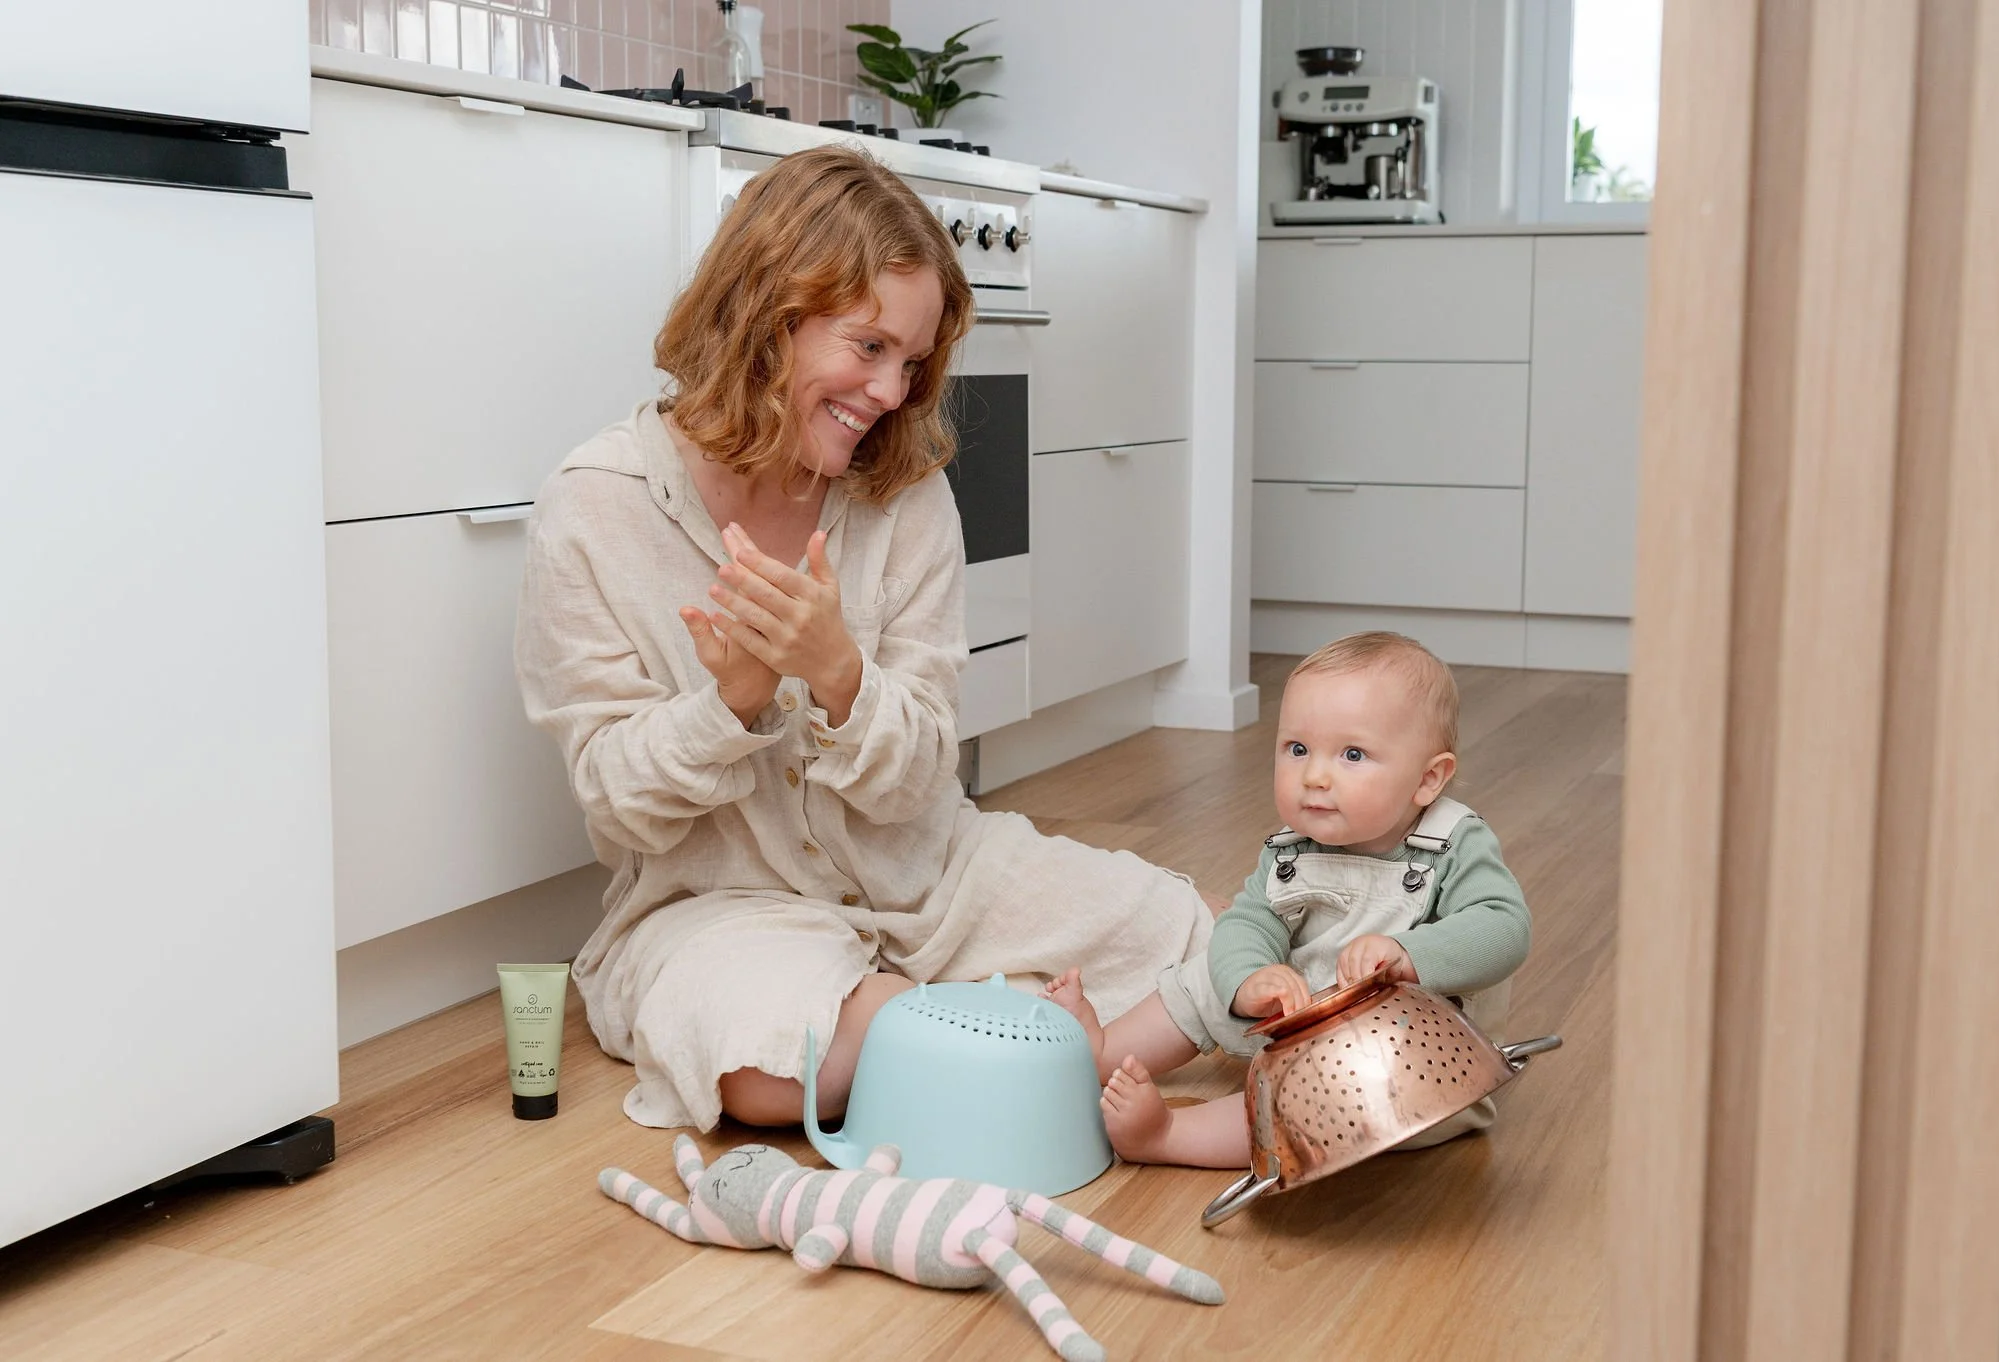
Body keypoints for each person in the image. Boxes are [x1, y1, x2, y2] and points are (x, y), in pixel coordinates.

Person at [514, 145, 1212, 1134]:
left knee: (1197, 942)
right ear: (767, 319)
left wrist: (839, 676)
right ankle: (1064, 1052)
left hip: (931, 877)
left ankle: (987, 1047)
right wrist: (733, 705)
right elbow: (619, 803)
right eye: (869, 348)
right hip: (718, 910)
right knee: (766, 1062)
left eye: (913, 361)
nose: (892, 394)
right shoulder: (594, 508)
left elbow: (920, 780)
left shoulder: (903, 495)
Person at [1044, 631, 1532, 1167]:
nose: (1315, 777)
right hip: (1301, 1010)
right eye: (1297, 749)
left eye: (1352, 754)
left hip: (1409, 1069)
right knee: (1207, 975)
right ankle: (1103, 1052)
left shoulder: (1452, 843)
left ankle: (1166, 1136)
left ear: (1428, 779)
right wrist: (1249, 976)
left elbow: (1504, 926)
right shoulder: (1292, 847)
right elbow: (1249, 920)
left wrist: (1409, 955)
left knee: (1314, 1101)